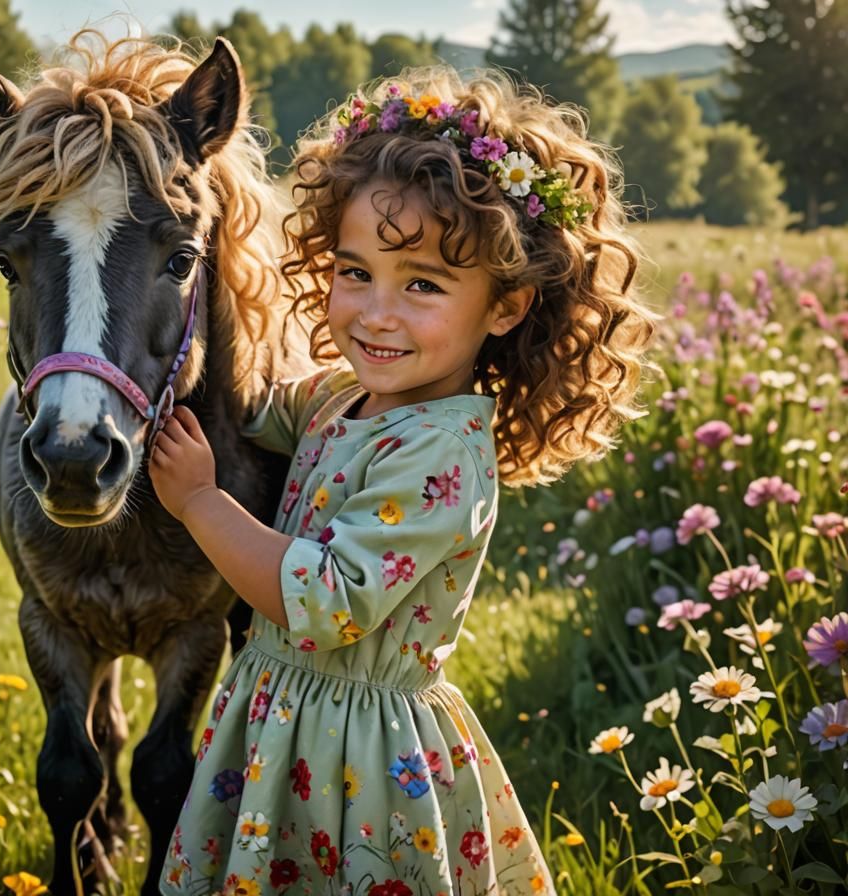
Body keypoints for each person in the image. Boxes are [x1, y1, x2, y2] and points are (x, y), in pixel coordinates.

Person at [149, 67, 655, 896]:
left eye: (422, 284)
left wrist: (202, 502)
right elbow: (255, 405)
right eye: (355, 272)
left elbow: (325, 601)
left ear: (506, 306)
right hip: (287, 722)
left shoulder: (442, 454)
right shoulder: (345, 395)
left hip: (360, 760)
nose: (376, 312)